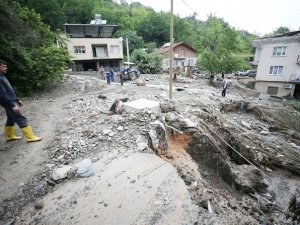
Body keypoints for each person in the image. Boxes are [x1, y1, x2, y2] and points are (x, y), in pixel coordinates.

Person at [0, 59, 42, 143]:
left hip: (10, 100)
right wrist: (12, 104)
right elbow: (2, 94)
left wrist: (17, 100)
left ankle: (10, 136)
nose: (6, 68)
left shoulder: (2, 76)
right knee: (20, 117)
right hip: (8, 102)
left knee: (11, 118)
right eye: (4, 66)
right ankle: (30, 137)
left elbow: (9, 91)